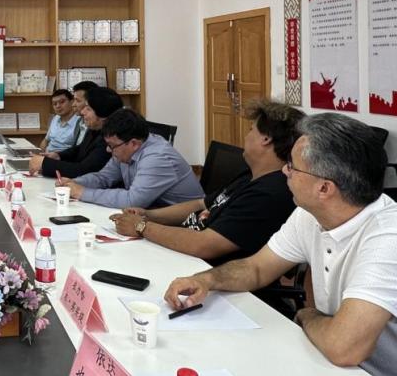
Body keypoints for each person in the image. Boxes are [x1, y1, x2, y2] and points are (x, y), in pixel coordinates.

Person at [164, 114, 397, 376]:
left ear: (324, 188)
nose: (284, 171)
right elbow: (256, 268)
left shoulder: (394, 239)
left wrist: (307, 316)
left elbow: (343, 347)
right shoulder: (310, 215)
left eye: (292, 166)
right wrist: (206, 280)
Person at [112, 100, 303, 265]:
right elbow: (201, 204)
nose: (246, 136)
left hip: (203, 268)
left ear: (266, 139)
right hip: (181, 251)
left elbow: (203, 245)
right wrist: (148, 215)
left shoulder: (269, 193)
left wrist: (142, 227)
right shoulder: (251, 175)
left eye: (251, 130)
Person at [59, 108, 202, 209]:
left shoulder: (157, 158)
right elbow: (104, 177)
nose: (108, 150)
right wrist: (74, 183)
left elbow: (132, 201)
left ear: (133, 144)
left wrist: (82, 192)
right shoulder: (124, 147)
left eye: (112, 146)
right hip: (154, 211)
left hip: (186, 222)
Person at [29, 86, 122, 179]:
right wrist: (58, 155)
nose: (82, 112)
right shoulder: (95, 128)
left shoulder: (111, 139)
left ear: (102, 113)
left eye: (88, 109)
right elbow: (80, 149)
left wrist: (44, 164)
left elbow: (83, 171)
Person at [39, 89, 79, 153]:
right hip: (47, 154)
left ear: (72, 102)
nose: (58, 106)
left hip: (63, 157)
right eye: (54, 104)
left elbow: (78, 150)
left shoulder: (79, 121)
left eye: (62, 102)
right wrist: (41, 153)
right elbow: (45, 141)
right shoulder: (56, 118)